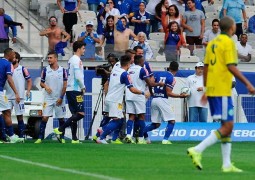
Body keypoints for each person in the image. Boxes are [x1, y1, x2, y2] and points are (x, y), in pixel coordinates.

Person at [187, 16, 255, 172]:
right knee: (228, 126)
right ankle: (197, 149)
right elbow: (231, 67)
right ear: (232, 28)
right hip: (222, 89)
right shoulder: (229, 42)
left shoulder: (212, 44)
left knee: (226, 126)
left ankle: (226, 164)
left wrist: (206, 88)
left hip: (213, 89)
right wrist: (248, 84)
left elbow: (206, 66)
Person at [96, 55, 147, 144]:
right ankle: (102, 136)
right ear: (128, 64)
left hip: (109, 98)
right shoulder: (124, 74)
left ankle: (104, 132)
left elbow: (107, 84)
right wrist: (143, 93)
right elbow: (132, 89)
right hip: (115, 101)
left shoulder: (114, 71)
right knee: (118, 120)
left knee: (119, 119)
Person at [143, 61, 187, 144]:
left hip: (154, 99)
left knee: (156, 124)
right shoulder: (172, 78)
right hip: (163, 99)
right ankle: (165, 140)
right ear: (177, 70)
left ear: (169, 67)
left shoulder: (158, 74)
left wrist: (151, 93)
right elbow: (168, 93)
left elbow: (150, 84)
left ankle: (141, 132)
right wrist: (180, 96)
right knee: (172, 121)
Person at [125, 55, 164, 144]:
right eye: (143, 61)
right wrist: (159, 84)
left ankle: (129, 136)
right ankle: (141, 138)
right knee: (141, 117)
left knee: (131, 116)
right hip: (138, 96)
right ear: (141, 61)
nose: (144, 63)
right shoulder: (142, 70)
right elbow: (150, 83)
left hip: (129, 95)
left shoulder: (129, 69)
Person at [53, 41, 86, 143]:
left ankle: (74, 138)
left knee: (74, 114)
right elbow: (78, 75)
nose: (84, 50)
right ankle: (60, 129)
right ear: (79, 49)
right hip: (75, 89)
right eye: (83, 48)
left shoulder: (72, 59)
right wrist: (83, 87)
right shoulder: (77, 60)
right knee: (81, 113)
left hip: (70, 89)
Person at [35, 51, 67, 144]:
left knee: (61, 118)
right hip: (48, 98)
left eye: (50, 58)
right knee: (44, 117)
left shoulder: (63, 70)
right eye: (48, 58)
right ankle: (40, 138)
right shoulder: (45, 70)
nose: (48, 59)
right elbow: (41, 83)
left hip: (59, 98)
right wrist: (46, 86)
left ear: (56, 59)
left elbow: (65, 85)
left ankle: (62, 137)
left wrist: (61, 97)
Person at [4, 52, 32, 138]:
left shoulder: (22, 69)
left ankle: (21, 136)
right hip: (8, 96)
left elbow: (29, 80)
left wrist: (28, 91)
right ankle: (8, 136)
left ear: (17, 59)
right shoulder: (7, 68)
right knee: (7, 116)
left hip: (19, 97)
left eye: (14, 57)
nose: (12, 58)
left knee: (19, 116)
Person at [0, 48, 24, 143]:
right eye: (13, 56)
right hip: (0, 91)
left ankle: (3, 136)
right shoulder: (8, 64)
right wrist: (16, 92)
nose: (14, 58)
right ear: (9, 55)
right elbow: (10, 79)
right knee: (7, 112)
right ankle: (11, 135)